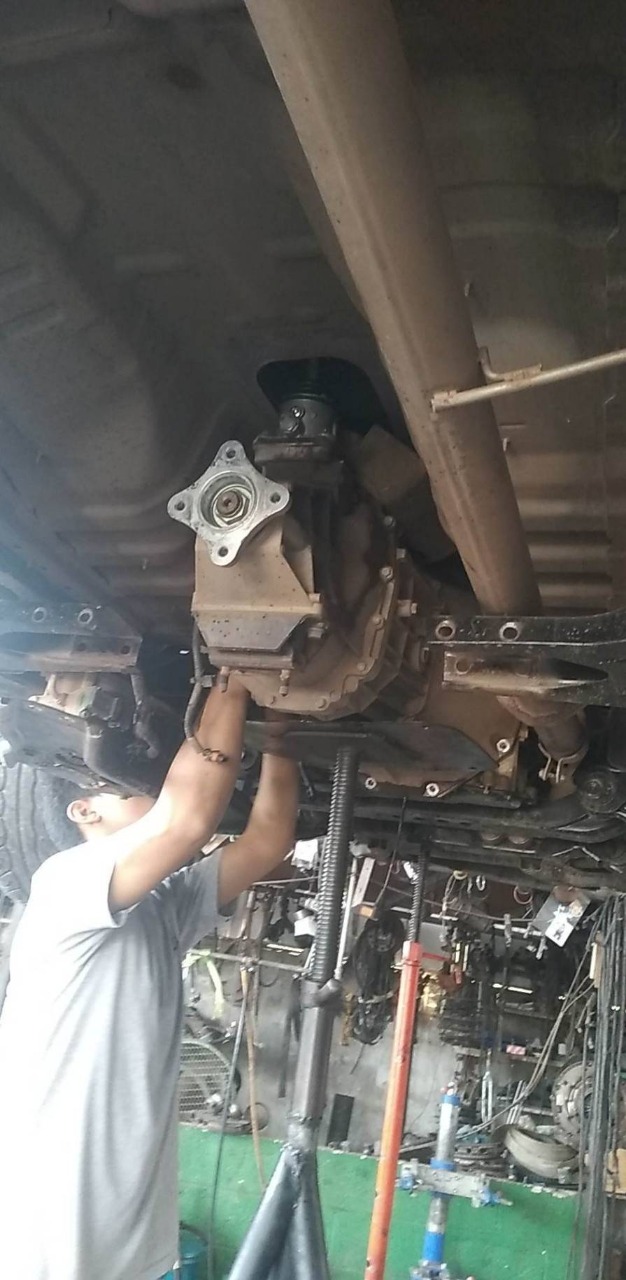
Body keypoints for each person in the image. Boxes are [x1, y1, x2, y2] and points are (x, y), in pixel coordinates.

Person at [0, 679, 299, 1280]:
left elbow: (268, 839)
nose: (152, 786)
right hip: (50, 1237)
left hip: (117, 1236)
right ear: (83, 809)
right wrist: (238, 674)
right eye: (128, 786)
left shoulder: (160, 905)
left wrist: (281, 727)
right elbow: (185, 820)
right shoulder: (63, 886)